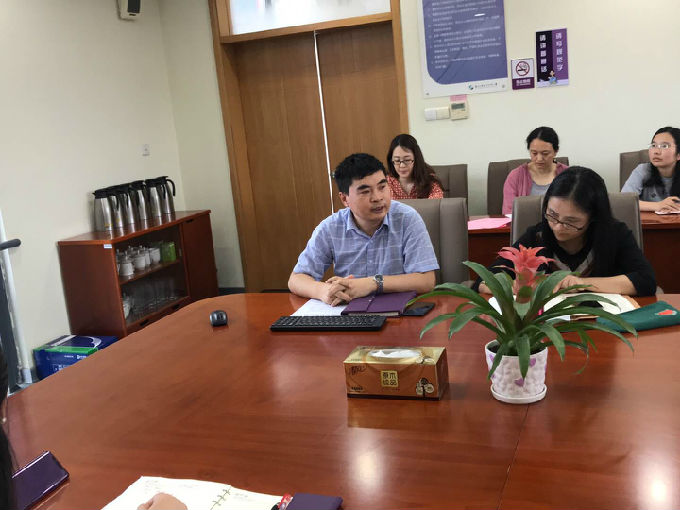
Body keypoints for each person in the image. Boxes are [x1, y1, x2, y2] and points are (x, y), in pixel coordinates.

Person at [477, 167, 656, 296]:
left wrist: (581, 283)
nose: (558, 227)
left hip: (603, 326)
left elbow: (645, 281)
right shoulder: (537, 236)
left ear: (593, 217)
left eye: (571, 222)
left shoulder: (615, 234)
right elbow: (484, 281)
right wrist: (520, 287)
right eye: (552, 215)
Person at [289, 153, 439, 305]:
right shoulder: (331, 227)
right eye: (365, 191)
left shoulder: (407, 219)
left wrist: (374, 283)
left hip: (398, 312)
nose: (378, 197)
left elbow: (426, 281)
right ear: (345, 199)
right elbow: (296, 279)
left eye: (382, 187)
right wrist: (325, 291)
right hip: (349, 311)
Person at [502, 126, 569, 215]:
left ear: (556, 151)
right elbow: (509, 213)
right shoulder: (515, 176)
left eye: (545, 153)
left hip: (559, 223)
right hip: (524, 223)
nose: (539, 158)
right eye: (534, 153)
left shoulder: (568, 175)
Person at [621, 126, 680, 213]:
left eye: (664, 146)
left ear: (678, 154)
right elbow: (624, 202)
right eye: (653, 145)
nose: (656, 151)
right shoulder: (642, 170)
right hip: (647, 221)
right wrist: (658, 205)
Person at [386, 134, 444, 199]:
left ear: (416, 158)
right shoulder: (386, 182)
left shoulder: (429, 180)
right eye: (397, 160)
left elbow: (436, 202)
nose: (402, 165)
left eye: (407, 160)